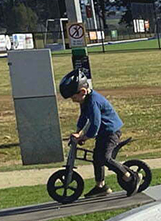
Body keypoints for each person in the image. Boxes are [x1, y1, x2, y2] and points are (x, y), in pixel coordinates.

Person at [58, 71, 139, 199]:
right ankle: (101, 187)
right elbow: (84, 117)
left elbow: (95, 124)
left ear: (83, 92)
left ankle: (130, 177)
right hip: (103, 134)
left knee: (105, 158)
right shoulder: (85, 101)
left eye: (74, 98)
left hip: (111, 132)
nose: (73, 101)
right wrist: (78, 131)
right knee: (97, 158)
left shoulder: (93, 101)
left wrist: (84, 137)